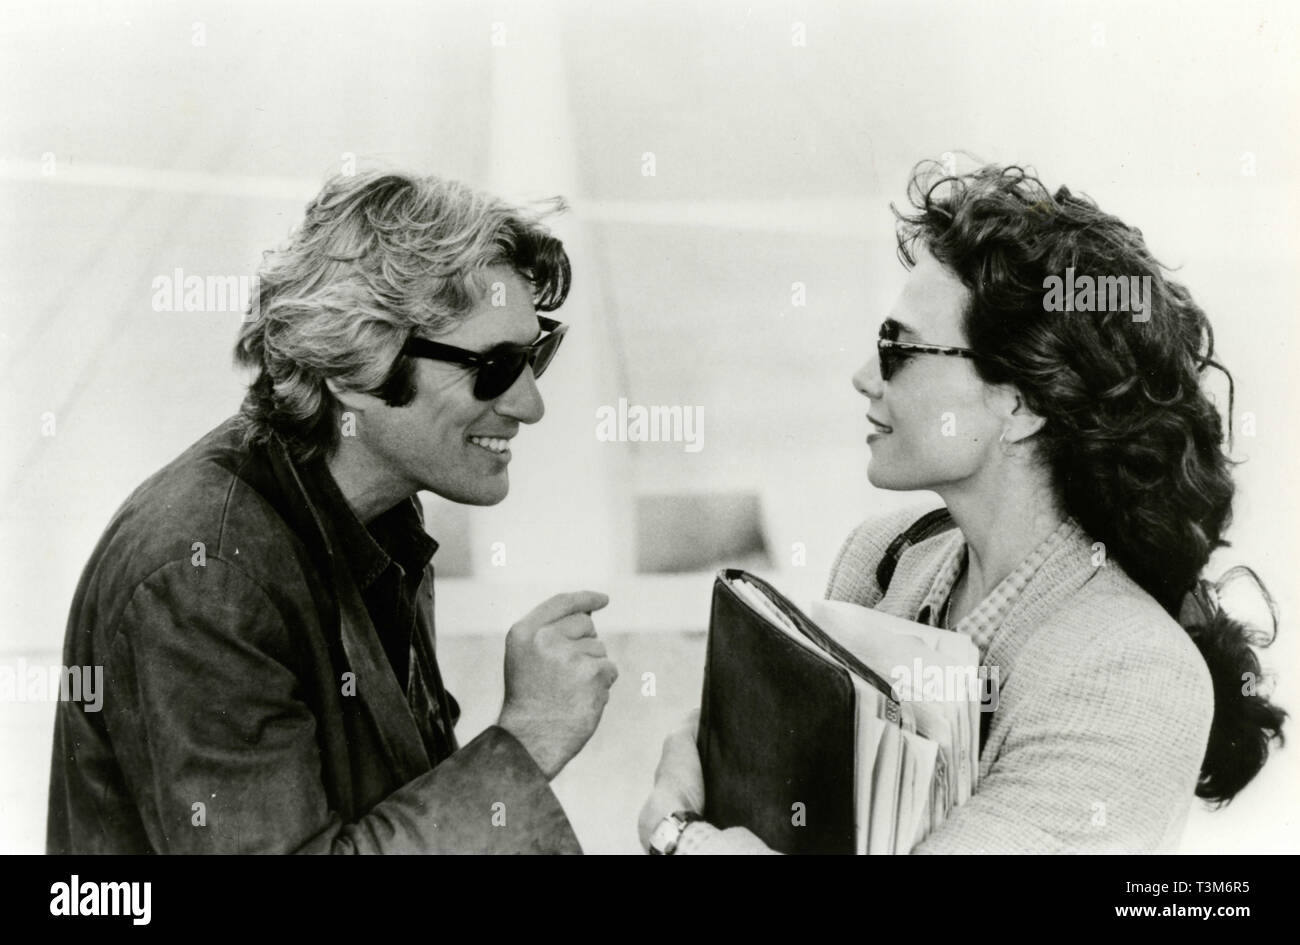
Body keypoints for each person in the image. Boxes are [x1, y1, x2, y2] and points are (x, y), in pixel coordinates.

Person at [640, 161, 1286, 854]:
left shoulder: (1135, 675)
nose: (864, 377)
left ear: (1021, 401)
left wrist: (678, 834)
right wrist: (704, 746)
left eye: (898, 348)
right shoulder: (886, 557)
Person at [47, 169, 618, 853]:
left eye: (536, 355)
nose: (530, 403)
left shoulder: (372, 506)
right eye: (493, 367)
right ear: (353, 367)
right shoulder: (205, 580)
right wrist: (523, 745)